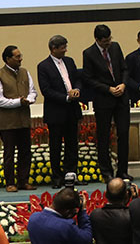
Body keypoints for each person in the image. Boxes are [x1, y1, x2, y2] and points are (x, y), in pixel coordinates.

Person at [82, 24, 132, 181]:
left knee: (123, 133)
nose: (108, 43)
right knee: (103, 137)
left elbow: (125, 69)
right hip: (103, 99)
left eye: (109, 39)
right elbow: (88, 79)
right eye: (105, 41)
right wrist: (108, 89)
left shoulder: (115, 47)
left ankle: (122, 171)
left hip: (121, 98)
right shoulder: (89, 53)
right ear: (97, 40)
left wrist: (123, 84)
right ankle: (106, 172)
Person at [0, 45, 38, 192]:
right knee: (9, 153)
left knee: (25, 152)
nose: (20, 59)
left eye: (20, 56)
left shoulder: (25, 72)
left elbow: (33, 91)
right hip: (8, 123)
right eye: (17, 57)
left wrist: (30, 99)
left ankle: (23, 181)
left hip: (24, 120)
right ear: (8, 59)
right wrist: (18, 102)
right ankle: (10, 183)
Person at [37, 34, 82, 189]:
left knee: (72, 145)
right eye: (62, 48)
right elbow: (46, 90)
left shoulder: (69, 61)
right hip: (56, 112)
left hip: (72, 110)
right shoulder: (43, 66)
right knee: (55, 146)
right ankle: (57, 177)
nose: (65, 50)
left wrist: (77, 89)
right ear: (53, 49)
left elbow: (77, 79)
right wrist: (66, 97)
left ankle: (72, 175)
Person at [27, 187, 92, 244]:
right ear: (68, 212)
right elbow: (87, 240)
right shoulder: (66, 226)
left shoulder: (33, 218)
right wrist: (82, 212)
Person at [90, 178, 134, 244]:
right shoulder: (131, 216)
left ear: (106, 195)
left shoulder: (95, 215)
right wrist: (134, 199)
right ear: (126, 195)